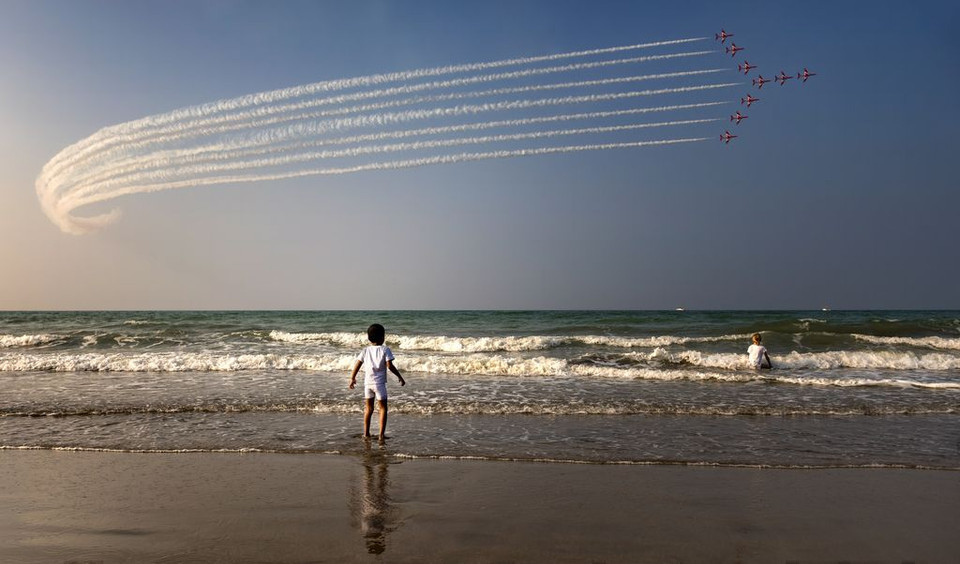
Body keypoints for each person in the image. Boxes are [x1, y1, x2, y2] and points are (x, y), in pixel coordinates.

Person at [349, 323, 406, 441]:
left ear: (369, 337)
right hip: (379, 384)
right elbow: (389, 366)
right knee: (383, 408)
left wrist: (352, 378)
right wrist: (399, 376)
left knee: (368, 409)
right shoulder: (385, 349)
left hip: (367, 384)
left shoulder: (365, 350)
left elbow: (357, 364)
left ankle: (366, 433)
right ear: (382, 337)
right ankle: (381, 435)